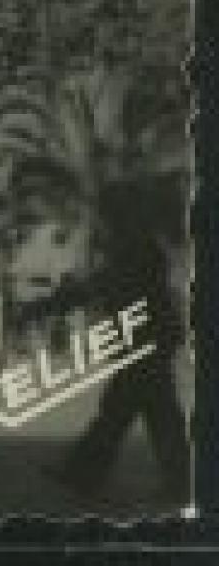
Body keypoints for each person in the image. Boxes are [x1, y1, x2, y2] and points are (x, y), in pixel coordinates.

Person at [47, 200, 189, 505]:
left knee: (133, 413)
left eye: (101, 215)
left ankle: (83, 474)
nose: (97, 222)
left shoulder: (131, 248)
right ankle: (83, 474)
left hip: (144, 339)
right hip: (150, 338)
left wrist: (57, 300)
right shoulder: (138, 245)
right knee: (146, 414)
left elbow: (108, 286)